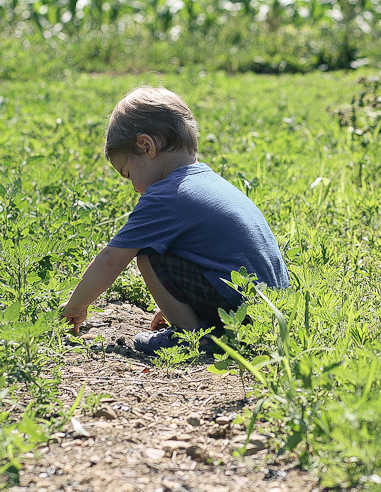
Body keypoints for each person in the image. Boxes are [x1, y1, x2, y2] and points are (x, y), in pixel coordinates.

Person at [59, 86, 289, 355]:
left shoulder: (166, 196)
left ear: (146, 146)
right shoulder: (212, 182)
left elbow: (112, 259)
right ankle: (199, 326)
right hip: (272, 315)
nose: (134, 186)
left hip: (241, 314)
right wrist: (182, 303)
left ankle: (191, 338)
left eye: (128, 173)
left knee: (146, 253)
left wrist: (75, 307)